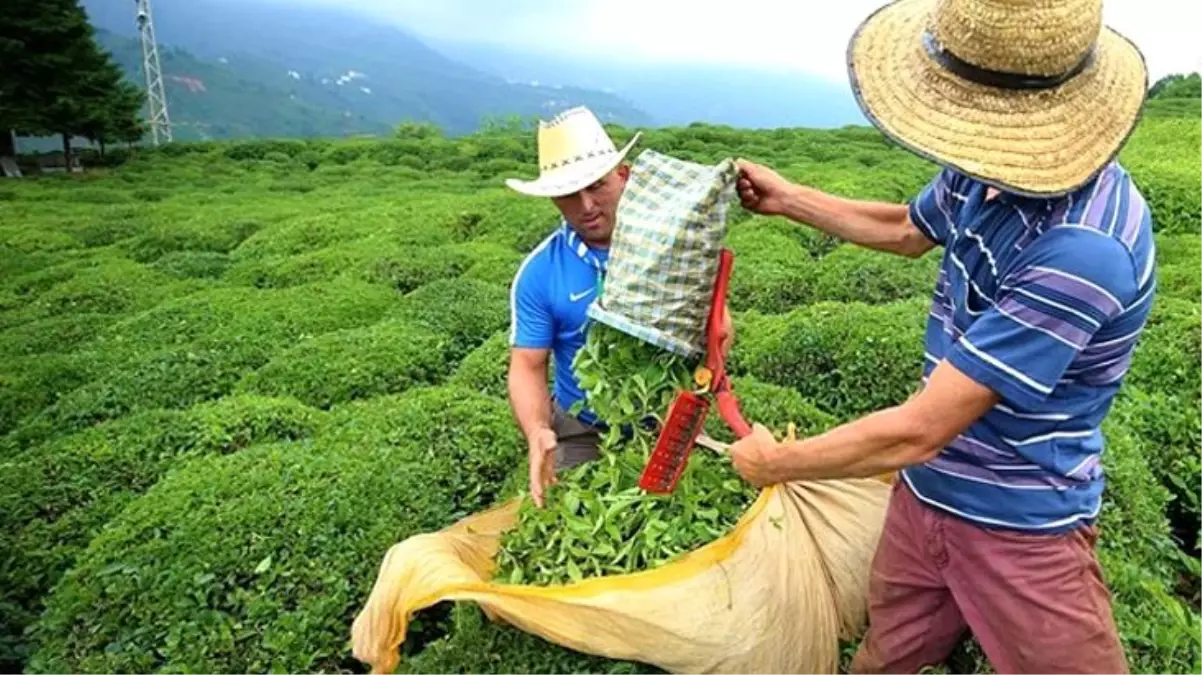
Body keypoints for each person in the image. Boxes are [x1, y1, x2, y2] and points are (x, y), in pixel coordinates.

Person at [726, 0, 1154, 673]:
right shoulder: (988, 167)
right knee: (885, 653)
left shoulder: (1083, 249)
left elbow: (918, 428)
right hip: (925, 492)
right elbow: (906, 228)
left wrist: (777, 462)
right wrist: (790, 199)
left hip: (1020, 522)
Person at [504, 107, 736, 508]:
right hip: (581, 429)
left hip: (667, 419)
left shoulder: (675, 249)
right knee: (566, 520)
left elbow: (719, 330)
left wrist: (691, 395)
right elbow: (527, 363)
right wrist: (538, 430)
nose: (587, 205)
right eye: (568, 196)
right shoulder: (541, 272)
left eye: (598, 186)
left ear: (624, 175)